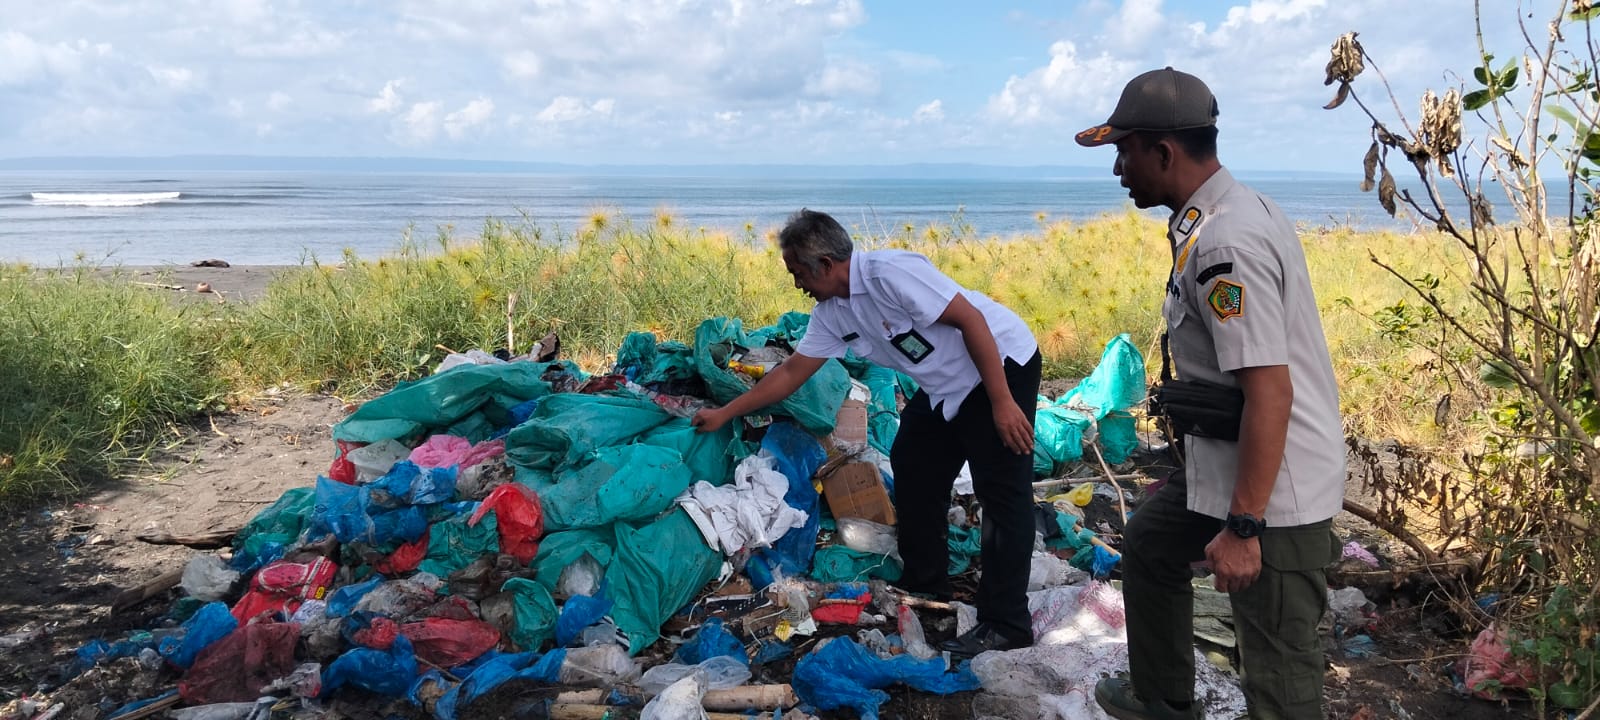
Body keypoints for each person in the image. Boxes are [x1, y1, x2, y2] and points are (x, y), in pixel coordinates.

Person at [1075, 68, 1346, 719]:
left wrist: (1245, 528)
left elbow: (1271, 394)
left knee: (1278, 670)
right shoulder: (1217, 217)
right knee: (1149, 543)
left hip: (1273, 494)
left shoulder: (1226, 240)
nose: (1118, 169)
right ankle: (1164, 698)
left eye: (1125, 151)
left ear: (1163, 152)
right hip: (1233, 468)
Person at [690, 208, 1041, 657]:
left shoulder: (890, 274)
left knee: (1003, 494)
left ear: (825, 265)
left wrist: (1003, 402)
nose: (796, 283)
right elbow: (793, 371)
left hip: (999, 365)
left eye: (798, 272)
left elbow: (971, 320)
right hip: (943, 383)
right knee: (914, 464)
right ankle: (926, 586)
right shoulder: (832, 311)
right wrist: (725, 412)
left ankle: (1006, 622)